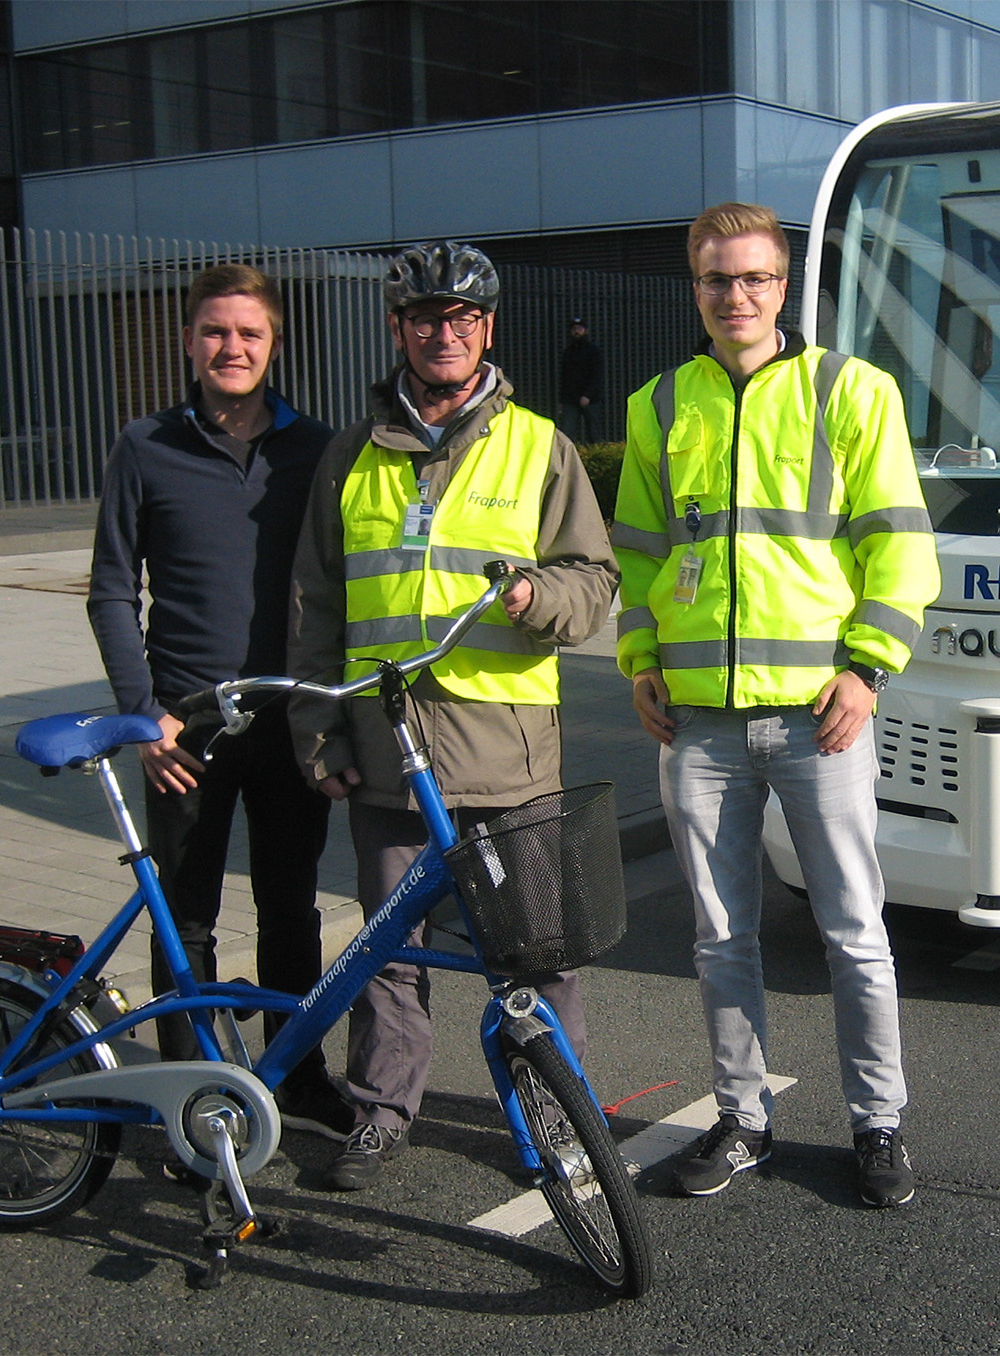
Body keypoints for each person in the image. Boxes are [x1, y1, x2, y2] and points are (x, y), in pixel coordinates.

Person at [612, 202, 940, 1208]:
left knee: (852, 931)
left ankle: (877, 1126)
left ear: (783, 286)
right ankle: (742, 1119)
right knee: (718, 938)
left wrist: (867, 667)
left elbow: (899, 542)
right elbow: (636, 550)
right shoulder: (658, 405)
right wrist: (637, 657)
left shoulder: (851, 390)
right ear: (695, 288)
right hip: (699, 725)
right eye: (717, 280)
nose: (736, 296)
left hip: (817, 715)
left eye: (754, 278)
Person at [288, 240, 617, 1191]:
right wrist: (315, 732)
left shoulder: (540, 444)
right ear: (397, 329)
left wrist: (535, 600)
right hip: (389, 754)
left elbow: (594, 583)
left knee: (539, 955)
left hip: (508, 757)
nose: (446, 333)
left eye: (464, 318)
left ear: (489, 329)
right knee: (387, 954)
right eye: (426, 317)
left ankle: (554, 1119)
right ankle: (383, 1113)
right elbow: (316, 603)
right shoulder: (350, 455)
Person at [86, 263, 352, 1141]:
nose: (230, 347)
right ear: (189, 341)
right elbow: (112, 590)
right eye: (213, 331)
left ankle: (299, 1074)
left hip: (287, 714)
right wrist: (144, 712)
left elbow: (342, 583)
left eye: (249, 333)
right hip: (185, 727)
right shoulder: (145, 446)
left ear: (276, 345)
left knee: (291, 907)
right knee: (185, 916)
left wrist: (334, 712)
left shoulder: (314, 448)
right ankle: (193, 1093)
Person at [558, 317, 604, 444]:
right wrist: (562, 400)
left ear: (585, 330)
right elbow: (564, 378)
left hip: (591, 399)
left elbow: (597, 376)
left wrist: (588, 395)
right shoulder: (568, 352)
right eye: (574, 329)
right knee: (567, 431)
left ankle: (597, 458)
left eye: (579, 328)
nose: (576, 331)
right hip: (570, 399)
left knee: (594, 432)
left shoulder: (594, 351)